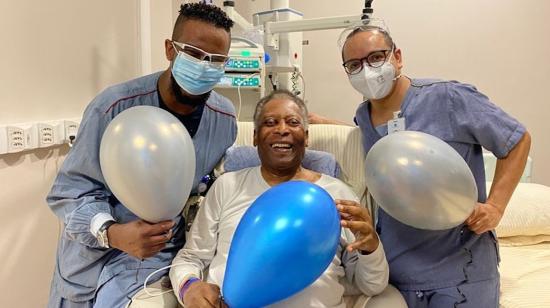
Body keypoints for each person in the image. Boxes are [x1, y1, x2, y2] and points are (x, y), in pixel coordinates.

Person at [310, 22, 531, 307]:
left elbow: (516, 139)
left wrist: (496, 207)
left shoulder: (448, 98)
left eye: (376, 57)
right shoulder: (363, 116)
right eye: (354, 65)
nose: (367, 70)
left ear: (397, 56)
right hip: (398, 274)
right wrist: (327, 124)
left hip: (460, 271)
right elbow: (388, 144)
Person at [46, 3, 237, 307]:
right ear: (170, 49)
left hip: (162, 256)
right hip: (97, 256)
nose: (203, 66)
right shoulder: (113, 107)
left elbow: (216, 175)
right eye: (194, 54)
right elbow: (69, 193)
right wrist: (113, 233)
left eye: (215, 60)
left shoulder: (223, 117)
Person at [169, 90, 408, 308]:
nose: (282, 129)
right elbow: (191, 257)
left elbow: (372, 285)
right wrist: (189, 287)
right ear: (254, 137)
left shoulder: (337, 194)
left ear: (306, 137)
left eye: (293, 122)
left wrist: (371, 248)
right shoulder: (227, 186)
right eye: (270, 123)